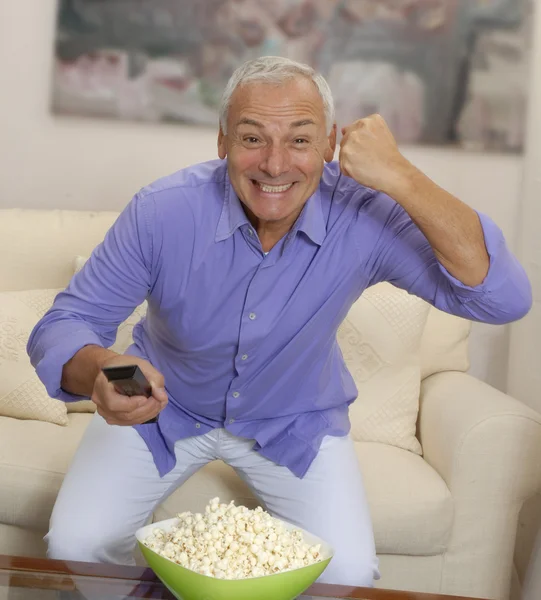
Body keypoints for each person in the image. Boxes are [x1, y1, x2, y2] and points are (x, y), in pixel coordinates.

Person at [28, 56, 531, 587]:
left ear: (330, 144)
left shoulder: (365, 216)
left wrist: (401, 176)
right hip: (164, 412)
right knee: (74, 544)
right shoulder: (161, 212)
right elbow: (67, 323)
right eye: (251, 139)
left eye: (298, 140)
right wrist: (103, 368)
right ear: (222, 141)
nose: (274, 164)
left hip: (295, 423)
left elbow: (502, 299)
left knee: (349, 572)